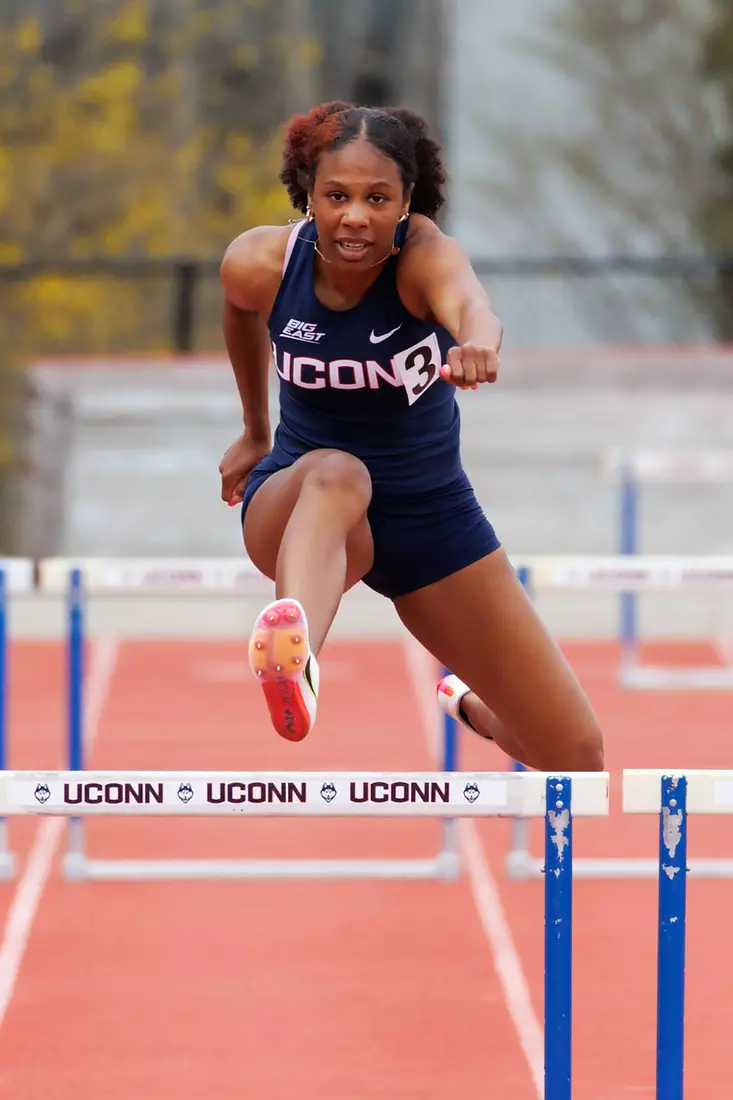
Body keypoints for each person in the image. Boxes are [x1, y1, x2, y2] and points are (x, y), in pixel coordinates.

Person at [218, 100, 604, 771]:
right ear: (307, 195)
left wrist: (479, 345)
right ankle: (294, 655)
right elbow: (238, 310)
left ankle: (475, 709)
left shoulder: (425, 258)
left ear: (405, 205)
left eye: (377, 198)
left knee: (575, 757)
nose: (355, 217)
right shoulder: (262, 263)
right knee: (339, 473)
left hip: (429, 521)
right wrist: (254, 430)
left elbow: (471, 307)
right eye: (336, 196)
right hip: (303, 512)